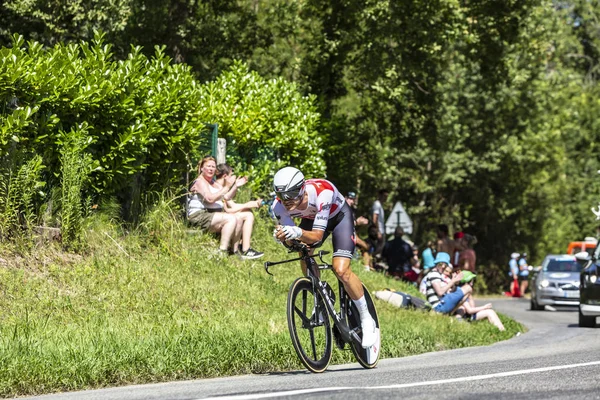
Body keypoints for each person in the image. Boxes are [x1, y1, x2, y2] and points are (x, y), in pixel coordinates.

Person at [272, 167, 379, 349]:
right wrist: (285, 238)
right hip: (312, 218)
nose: (287, 200)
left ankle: (366, 317)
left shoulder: (323, 193)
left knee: (341, 269)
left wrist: (296, 231)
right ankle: (322, 291)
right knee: (303, 250)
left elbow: (316, 237)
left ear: (302, 188)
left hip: (339, 217)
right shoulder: (278, 205)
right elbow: (293, 241)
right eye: (282, 195)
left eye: (291, 194)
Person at [188, 156, 244, 256]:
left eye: (213, 167)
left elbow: (225, 197)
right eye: (208, 166)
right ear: (201, 168)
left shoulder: (214, 183)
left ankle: (234, 251)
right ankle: (221, 251)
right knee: (230, 219)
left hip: (211, 215)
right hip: (198, 216)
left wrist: (235, 186)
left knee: (238, 218)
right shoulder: (199, 182)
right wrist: (227, 186)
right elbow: (210, 199)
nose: (211, 169)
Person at [214, 163, 264, 259]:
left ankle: (244, 247)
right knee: (248, 214)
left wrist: (252, 204)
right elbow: (228, 209)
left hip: (222, 215)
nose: (233, 178)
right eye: (231, 176)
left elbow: (232, 205)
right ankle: (245, 249)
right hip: (218, 217)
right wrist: (248, 204)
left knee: (247, 212)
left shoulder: (222, 187)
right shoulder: (219, 188)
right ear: (225, 176)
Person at [345, 191, 372, 271]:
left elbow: (353, 229)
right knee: (365, 246)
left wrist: (360, 224)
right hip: (345, 238)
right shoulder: (342, 208)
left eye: (353, 199)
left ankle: (367, 269)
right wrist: (357, 222)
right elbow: (347, 226)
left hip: (351, 238)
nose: (351, 201)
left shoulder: (352, 211)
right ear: (345, 198)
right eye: (350, 199)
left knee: (365, 249)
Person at [371, 189, 389, 259]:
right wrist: (378, 231)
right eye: (384, 196)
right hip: (378, 230)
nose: (385, 198)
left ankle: (372, 260)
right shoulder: (377, 204)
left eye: (386, 196)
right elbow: (374, 218)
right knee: (377, 248)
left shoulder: (380, 206)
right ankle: (370, 259)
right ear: (380, 195)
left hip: (381, 230)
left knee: (380, 248)